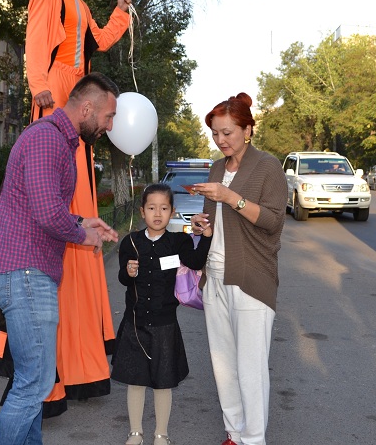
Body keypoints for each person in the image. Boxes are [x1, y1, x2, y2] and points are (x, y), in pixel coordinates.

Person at [0, 0, 133, 417]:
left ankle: (74, 362)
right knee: (53, 210)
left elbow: (97, 40)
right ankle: (44, 378)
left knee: (77, 217)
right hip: (57, 102)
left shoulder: (81, 4)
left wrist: (120, 14)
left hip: (79, 106)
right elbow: (35, 48)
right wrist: (40, 91)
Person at [0, 73, 121, 445]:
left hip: (26, 272)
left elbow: (40, 209)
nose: (110, 126)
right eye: (108, 117)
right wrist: (82, 233)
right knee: (35, 384)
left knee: (36, 381)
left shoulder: (57, 139)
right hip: (26, 274)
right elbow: (47, 213)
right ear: (87, 107)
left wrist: (82, 221)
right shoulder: (48, 138)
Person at [192, 93, 287, 445]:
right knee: (223, 366)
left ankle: (254, 439)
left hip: (251, 279)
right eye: (216, 134)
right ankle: (233, 432)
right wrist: (203, 226)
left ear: (247, 129)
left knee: (250, 370)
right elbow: (217, 226)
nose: (221, 141)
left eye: (227, 133)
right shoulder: (217, 168)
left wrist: (231, 198)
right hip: (214, 277)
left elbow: (273, 222)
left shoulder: (267, 167)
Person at [112, 184, 213, 445]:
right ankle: (135, 432)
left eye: (164, 208)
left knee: (163, 381)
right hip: (135, 323)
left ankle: (161, 434)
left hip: (164, 324)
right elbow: (123, 278)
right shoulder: (131, 242)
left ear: (172, 212)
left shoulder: (178, 241)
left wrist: (207, 236)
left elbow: (195, 261)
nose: (158, 213)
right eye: (152, 208)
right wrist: (129, 272)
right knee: (135, 380)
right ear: (142, 211)